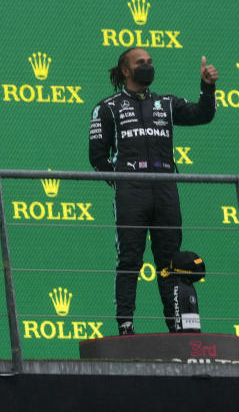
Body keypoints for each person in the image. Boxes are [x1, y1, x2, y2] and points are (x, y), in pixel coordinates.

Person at [88, 48, 217, 335]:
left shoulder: (166, 103)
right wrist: (121, 182)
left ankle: (177, 327)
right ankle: (125, 326)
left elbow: (202, 114)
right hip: (131, 190)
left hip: (165, 187)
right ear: (125, 71)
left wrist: (207, 87)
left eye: (150, 62)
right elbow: (97, 156)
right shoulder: (107, 107)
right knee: (130, 258)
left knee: (170, 260)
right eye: (140, 63)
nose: (147, 66)